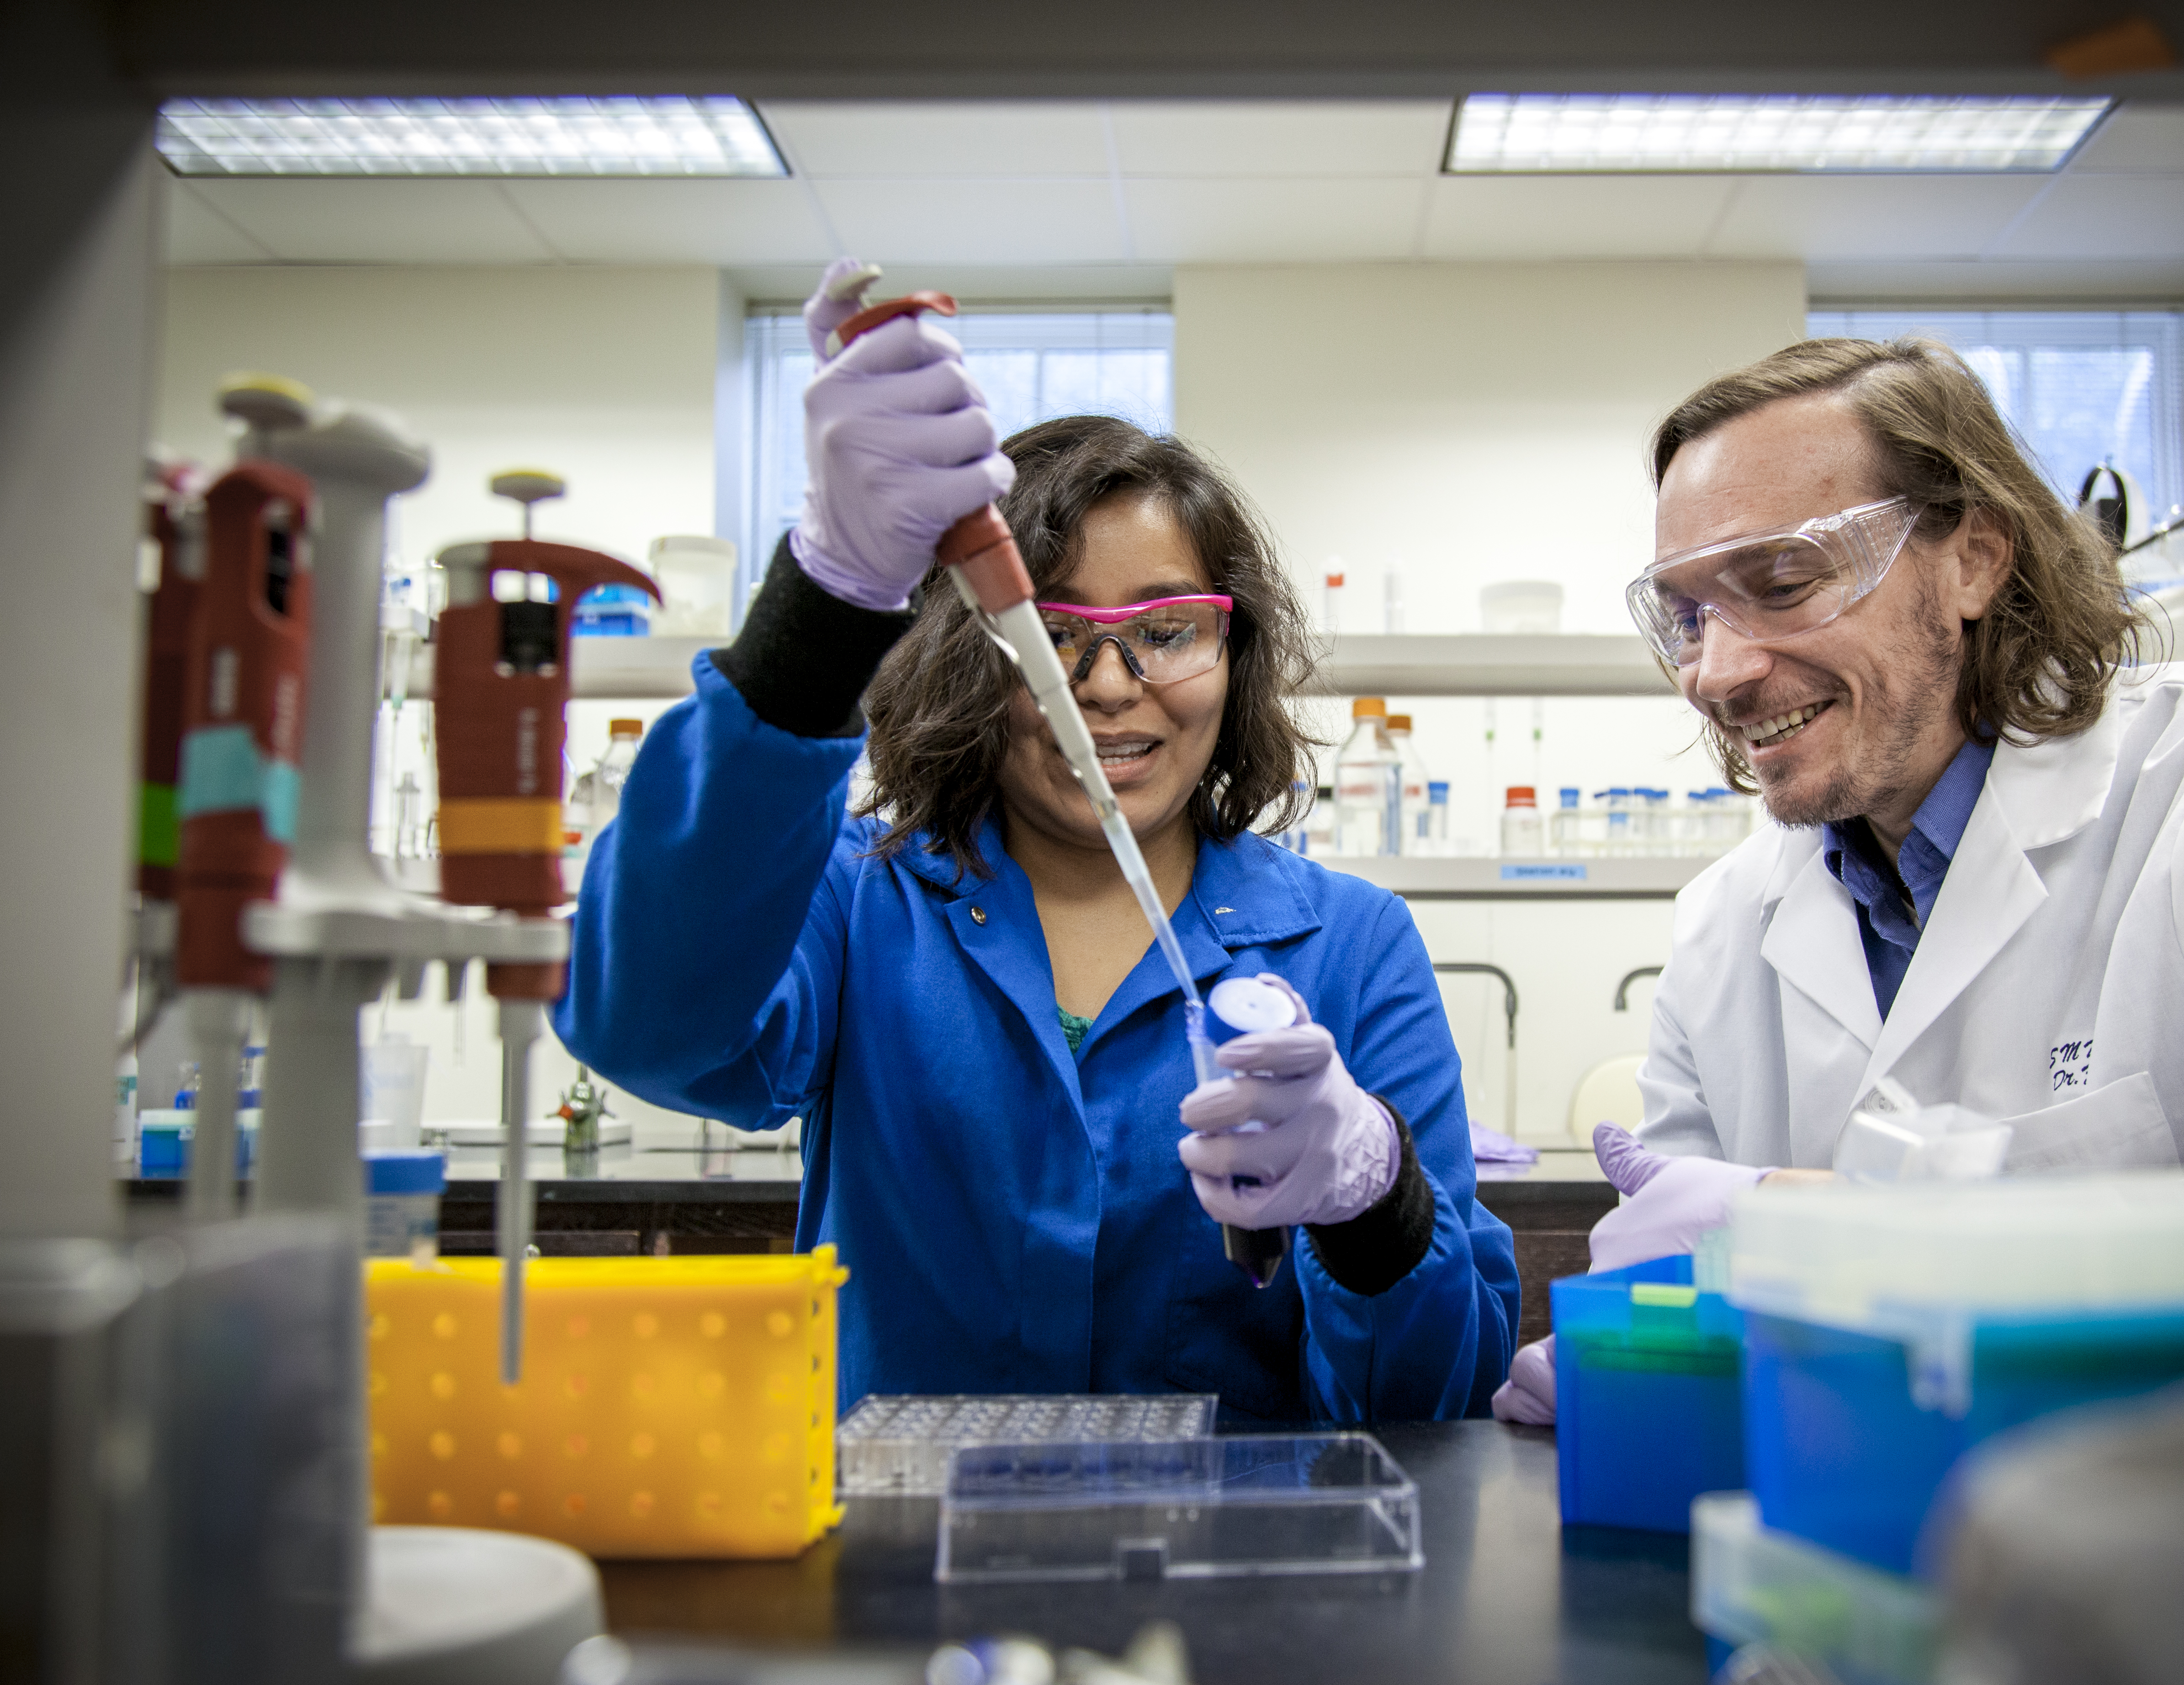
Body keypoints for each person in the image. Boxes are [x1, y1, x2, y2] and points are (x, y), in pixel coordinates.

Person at [1495, 335, 2184, 1424]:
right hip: (1837, 1518)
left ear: (1974, 559)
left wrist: (1860, 1233)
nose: (1717, 670)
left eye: (1784, 582)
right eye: (1687, 616)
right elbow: (1686, 1301)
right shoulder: (1720, 931)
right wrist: (1644, 1359)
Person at [560, 262, 1517, 1422]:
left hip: (1242, 1541)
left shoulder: (1352, 947)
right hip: (903, 1537)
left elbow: (1435, 1397)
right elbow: (645, 1028)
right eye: (1054, 631)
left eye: (1168, 628)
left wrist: (1373, 1197)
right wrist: (823, 602)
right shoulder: (861, 901)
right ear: (968, 658)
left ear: (1234, 657)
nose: (1109, 683)